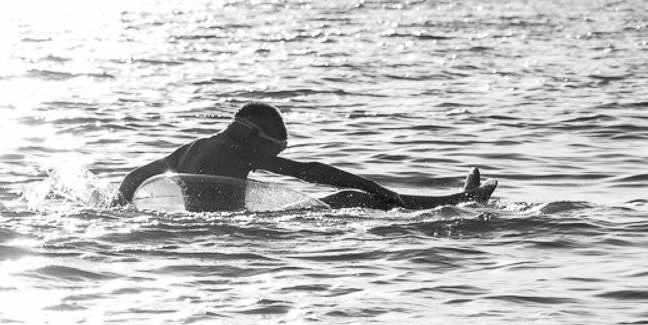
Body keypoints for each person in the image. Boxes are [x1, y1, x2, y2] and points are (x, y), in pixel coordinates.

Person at [115, 102, 497, 210]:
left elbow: (132, 179)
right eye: (274, 149)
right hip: (232, 229)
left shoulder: (191, 147)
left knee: (353, 198)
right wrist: (380, 190)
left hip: (203, 228)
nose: (272, 156)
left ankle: (455, 199)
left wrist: (117, 207)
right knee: (354, 198)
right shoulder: (236, 149)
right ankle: (455, 202)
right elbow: (310, 172)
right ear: (252, 135)